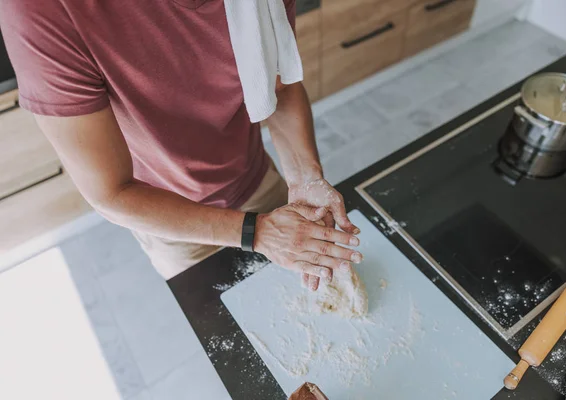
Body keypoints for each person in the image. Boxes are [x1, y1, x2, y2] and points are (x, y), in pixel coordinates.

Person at [0, 0, 363, 289]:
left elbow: (280, 88)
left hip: (255, 175)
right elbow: (112, 193)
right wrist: (258, 233)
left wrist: (305, 179)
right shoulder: (43, 9)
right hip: (171, 220)